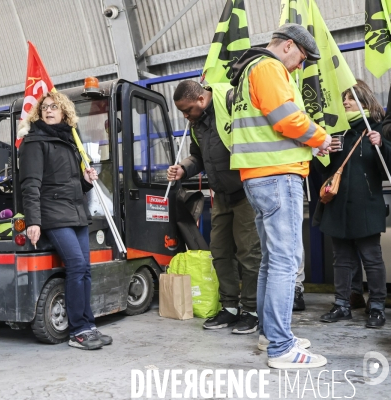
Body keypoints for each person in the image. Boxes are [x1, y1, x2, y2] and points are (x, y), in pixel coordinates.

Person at [229, 23, 331, 369]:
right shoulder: (269, 67)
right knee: (286, 262)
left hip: (258, 177)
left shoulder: (247, 72)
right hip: (277, 175)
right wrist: (320, 138)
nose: (300, 67)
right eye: (301, 58)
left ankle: (268, 335)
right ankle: (281, 348)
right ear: (288, 46)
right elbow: (286, 118)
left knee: (272, 261)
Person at [18, 91, 112, 350]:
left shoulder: (69, 141)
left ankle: (88, 324)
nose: (49, 110)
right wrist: (33, 222)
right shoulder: (34, 142)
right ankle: (77, 331)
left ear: (64, 113)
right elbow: (31, 185)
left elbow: (73, 184)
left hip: (75, 213)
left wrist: (86, 180)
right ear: (39, 113)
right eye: (45, 107)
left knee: (85, 270)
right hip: (53, 214)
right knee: (76, 265)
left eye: (55, 107)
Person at [167, 80, 261, 334]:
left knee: (249, 254)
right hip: (220, 196)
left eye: (187, 110)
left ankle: (251, 310)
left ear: (200, 99)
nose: (185, 116)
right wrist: (184, 168)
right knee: (220, 252)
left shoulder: (230, 103)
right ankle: (230, 308)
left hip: (246, 192)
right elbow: (197, 156)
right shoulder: (197, 125)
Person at [317, 81, 390, 328]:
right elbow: (324, 173)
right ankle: (342, 304)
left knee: (371, 258)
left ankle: (377, 306)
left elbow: (386, 168)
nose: (346, 101)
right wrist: (322, 153)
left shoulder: (377, 129)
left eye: (351, 97)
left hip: (367, 206)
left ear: (364, 100)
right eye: (344, 97)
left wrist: (382, 144)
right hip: (338, 207)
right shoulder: (338, 133)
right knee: (341, 259)